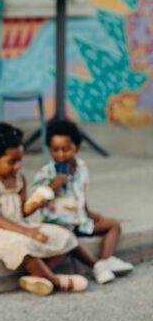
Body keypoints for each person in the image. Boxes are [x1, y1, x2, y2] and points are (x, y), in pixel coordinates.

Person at [0, 122, 84, 296]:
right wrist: (28, 232)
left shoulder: (19, 178)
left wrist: (34, 204)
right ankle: (55, 281)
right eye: (11, 161)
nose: (17, 166)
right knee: (22, 244)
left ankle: (37, 277)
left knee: (64, 235)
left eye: (20, 159)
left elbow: (22, 211)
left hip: (19, 225)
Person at [31, 119, 133, 284]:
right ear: (49, 149)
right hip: (59, 224)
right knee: (68, 239)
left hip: (80, 220)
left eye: (66, 149)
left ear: (76, 147)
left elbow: (80, 195)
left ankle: (106, 260)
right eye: (55, 150)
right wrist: (52, 186)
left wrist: (90, 212)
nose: (61, 155)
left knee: (113, 225)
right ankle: (97, 266)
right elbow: (36, 202)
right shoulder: (45, 173)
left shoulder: (82, 168)